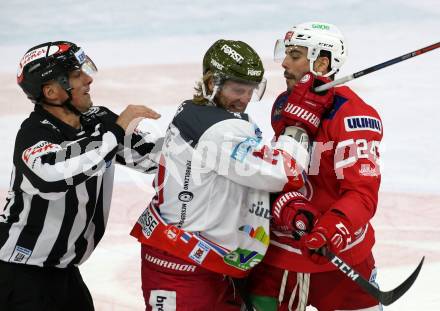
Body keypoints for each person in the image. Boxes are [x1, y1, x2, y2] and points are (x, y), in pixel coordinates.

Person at [130, 39, 327, 311]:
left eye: (251, 91)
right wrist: (298, 123)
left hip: (208, 261)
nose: (245, 99)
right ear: (212, 84)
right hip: (182, 268)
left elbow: (240, 179)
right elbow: (286, 171)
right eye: (238, 90)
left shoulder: (198, 112)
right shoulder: (220, 131)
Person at [0, 41, 161, 311]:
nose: (88, 79)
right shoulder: (34, 134)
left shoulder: (98, 122)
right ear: (51, 91)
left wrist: (205, 133)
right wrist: (115, 131)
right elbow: (54, 176)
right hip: (20, 276)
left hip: (65, 274)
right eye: (76, 75)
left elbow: (153, 159)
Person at [247, 22, 383, 311]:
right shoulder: (285, 103)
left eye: (294, 56)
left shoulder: (353, 117)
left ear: (322, 63)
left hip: (341, 259)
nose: (284, 63)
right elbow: (280, 171)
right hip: (282, 257)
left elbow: (363, 193)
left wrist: (333, 228)